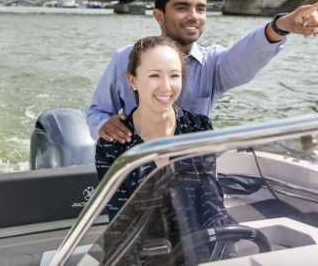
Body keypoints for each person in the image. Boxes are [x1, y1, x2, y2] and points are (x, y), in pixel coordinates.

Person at [87, 0, 318, 143]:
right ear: (159, 16)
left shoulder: (214, 64)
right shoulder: (124, 59)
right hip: (136, 172)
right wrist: (103, 126)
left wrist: (282, 25)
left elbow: (248, 53)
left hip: (192, 172)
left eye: (200, 8)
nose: (194, 16)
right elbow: (97, 112)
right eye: (182, 7)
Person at [95, 36, 227, 223]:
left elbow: (211, 205)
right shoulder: (112, 145)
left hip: (197, 245)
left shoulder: (200, 129)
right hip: (139, 248)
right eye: (154, 75)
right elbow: (122, 223)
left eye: (174, 75)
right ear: (133, 81)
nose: (166, 87)